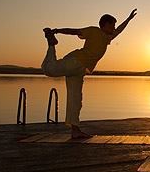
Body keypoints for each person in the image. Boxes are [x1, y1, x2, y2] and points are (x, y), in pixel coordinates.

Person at [41, 9, 137, 139]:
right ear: (105, 25)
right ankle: (52, 44)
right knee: (49, 70)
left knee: (76, 100)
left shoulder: (107, 37)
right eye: (112, 25)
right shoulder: (94, 31)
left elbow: (119, 30)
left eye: (114, 25)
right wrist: (57, 30)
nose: (114, 28)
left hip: (80, 70)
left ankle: (75, 130)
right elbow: (76, 31)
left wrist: (129, 19)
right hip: (75, 61)